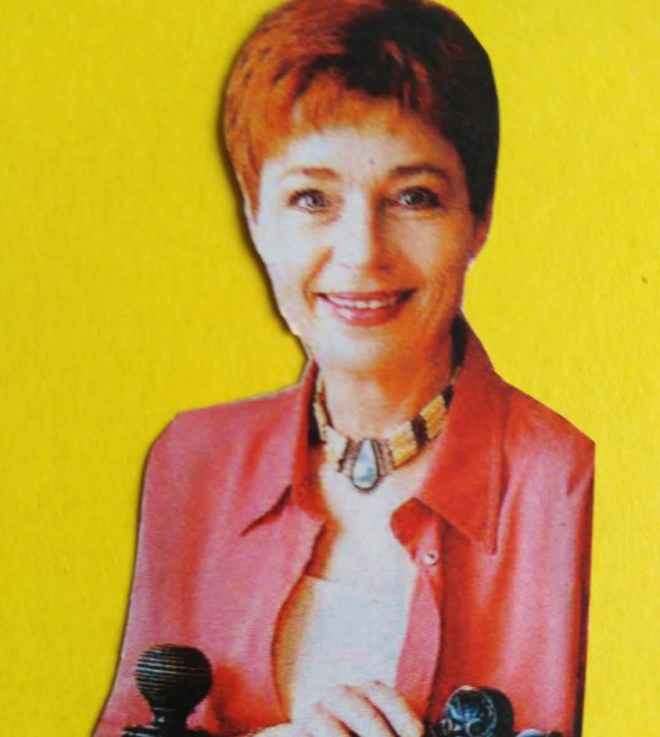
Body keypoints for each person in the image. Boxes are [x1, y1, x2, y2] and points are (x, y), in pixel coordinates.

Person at [95, 1, 594, 736]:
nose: (362, 251)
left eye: (414, 197)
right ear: (255, 217)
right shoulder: (192, 462)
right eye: (312, 198)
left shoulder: (574, 482)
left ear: (479, 217)